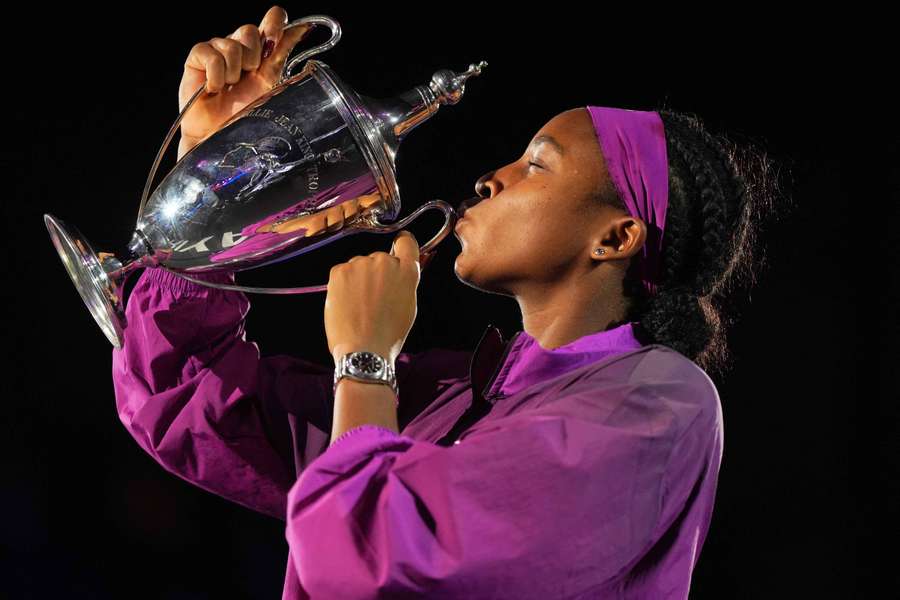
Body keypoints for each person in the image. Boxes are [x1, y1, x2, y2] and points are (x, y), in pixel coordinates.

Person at [110, 6, 783, 599]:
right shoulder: (446, 397)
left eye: (536, 165)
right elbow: (186, 400)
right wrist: (220, 176)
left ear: (615, 236)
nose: (492, 179)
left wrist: (365, 361)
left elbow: (364, 565)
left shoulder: (658, 403)